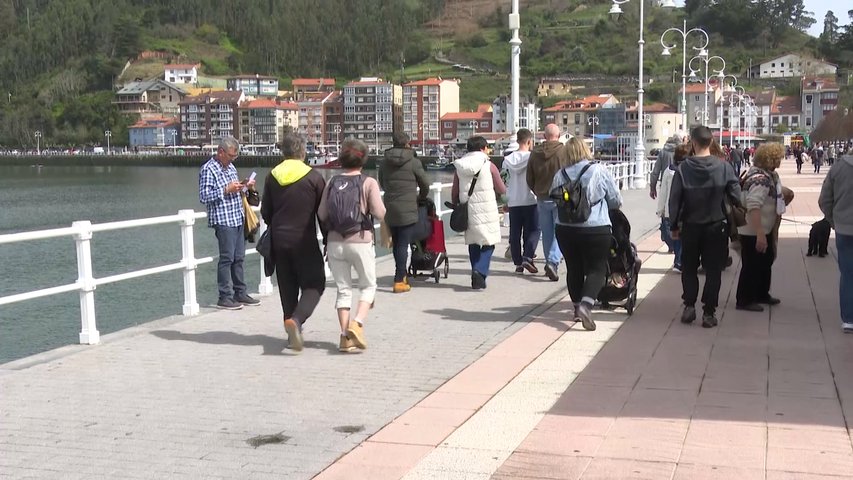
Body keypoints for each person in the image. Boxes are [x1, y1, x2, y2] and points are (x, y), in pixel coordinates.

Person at [669, 126, 743, 328]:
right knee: (713, 271)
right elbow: (737, 197)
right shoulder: (724, 167)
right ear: (711, 142)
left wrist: (674, 225)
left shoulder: (683, 169)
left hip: (691, 226)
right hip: (716, 226)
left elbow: (674, 200)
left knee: (689, 268)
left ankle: (689, 306)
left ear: (693, 142)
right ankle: (709, 313)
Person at [260, 134, 327, 352]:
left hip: (279, 241)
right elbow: (323, 214)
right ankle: (296, 321)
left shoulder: (272, 177)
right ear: (303, 152)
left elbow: (266, 212)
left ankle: (291, 334)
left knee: (287, 287)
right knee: (315, 283)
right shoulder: (314, 178)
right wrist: (328, 239)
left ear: (283, 151)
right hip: (304, 240)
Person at [318, 139, 385, 353]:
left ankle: (344, 337)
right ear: (363, 160)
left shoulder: (332, 182)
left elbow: (321, 214)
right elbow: (380, 213)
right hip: (361, 240)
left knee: (343, 289)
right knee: (368, 286)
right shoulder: (368, 182)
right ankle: (357, 324)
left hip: (335, 242)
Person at [552, 138, 622, 331]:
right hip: (595, 227)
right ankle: (586, 304)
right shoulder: (598, 170)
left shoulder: (560, 174)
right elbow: (615, 199)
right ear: (586, 150)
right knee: (596, 269)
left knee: (573, 268)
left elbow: (553, 198)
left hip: (565, 228)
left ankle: (576, 308)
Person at [198, 136, 260, 310]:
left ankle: (240, 292)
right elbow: (204, 196)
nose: (233, 159)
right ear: (221, 152)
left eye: (235, 156)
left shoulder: (231, 167)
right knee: (227, 258)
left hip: (237, 216)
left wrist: (246, 186)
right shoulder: (208, 169)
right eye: (231, 156)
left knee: (239, 258)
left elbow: (238, 191)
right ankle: (224, 296)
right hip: (223, 220)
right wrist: (226, 189)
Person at [735, 143, 786, 312]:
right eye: (778, 157)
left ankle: (761, 293)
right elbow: (754, 205)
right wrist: (760, 233)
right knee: (751, 264)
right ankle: (745, 299)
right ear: (770, 159)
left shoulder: (768, 175)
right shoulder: (761, 180)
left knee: (766, 260)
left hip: (764, 228)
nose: (781, 160)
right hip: (753, 229)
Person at [453, 136, 506, 289]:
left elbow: (455, 191)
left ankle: (476, 273)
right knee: (489, 242)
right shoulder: (489, 165)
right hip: (487, 210)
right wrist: (506, 198)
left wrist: (456, 203)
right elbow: (501, 189)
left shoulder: (459, 166)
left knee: (473, 242)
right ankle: (479, 270)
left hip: (467, 209)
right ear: (483, 148)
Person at [379, 132, 430, 293]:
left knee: (397, 243)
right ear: (408, 143)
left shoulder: (384, 162)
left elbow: (382, 182)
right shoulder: (413, 162)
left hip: (391, 206)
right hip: (408, 206)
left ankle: (402, 274)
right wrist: (421, 197)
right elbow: (425, 184)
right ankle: (399, 279)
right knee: (403, 243)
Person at [818, 146, 853, 334]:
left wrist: (833, 221)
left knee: (848, 274)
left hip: (845, 228)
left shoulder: (838, 167)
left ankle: (849, 318)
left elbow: (825, 199)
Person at [526, 124, 567, 281]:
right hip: (560, 196)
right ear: (559, 135)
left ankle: (551, 263)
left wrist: (536, 190)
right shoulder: (563, 152)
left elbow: (529, 177)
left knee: (547, 232)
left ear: (544, 136)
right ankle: (553, 261)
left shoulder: (535, 153)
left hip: (542, 196)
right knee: (561, 231)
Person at [502, 128, 541, 274]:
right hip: (531, 199)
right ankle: (528, 256)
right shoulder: (533, 158)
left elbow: (504, 181)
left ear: (518, 141)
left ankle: (518, 263)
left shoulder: (507, 161)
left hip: (513, 200)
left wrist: (505, 200)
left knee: (515, 232)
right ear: (530, 141)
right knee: (534, 230)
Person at [657, 144, 690, 272]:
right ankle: (680, 261)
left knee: (675, 235)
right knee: (683, 236)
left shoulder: (668, 170)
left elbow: (663, 192)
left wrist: (661, 210)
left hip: (670, 209)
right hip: (685, 208)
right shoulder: (689, 170)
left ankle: (678, 260)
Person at [650, 134, 682, 200]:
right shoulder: (681, 152)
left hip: (664, 184)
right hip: (678, 184)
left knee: (663, 207)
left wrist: (652, 188)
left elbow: (655, 172)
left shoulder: (663, 152)